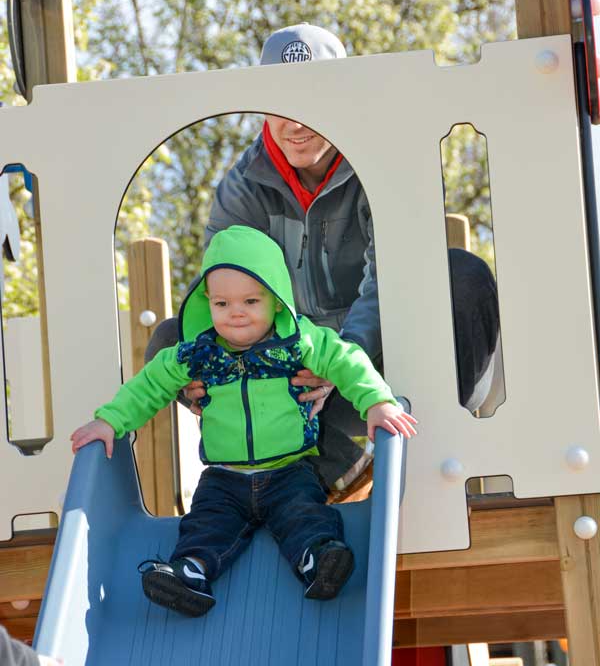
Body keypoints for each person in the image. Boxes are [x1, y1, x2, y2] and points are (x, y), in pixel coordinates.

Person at [147, 22, 499, 490]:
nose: (294, 123)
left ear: (344, 99)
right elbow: (226, 288)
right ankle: (284, 465)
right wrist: (212, 367)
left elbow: (392, 279)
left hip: (381, 355)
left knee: (461, 274)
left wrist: (340, 360)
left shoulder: (384, 162)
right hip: (295, 365)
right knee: (172, 338)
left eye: (310, 104)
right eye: (279, 104)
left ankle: (438, 429)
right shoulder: (245, 188)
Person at [71, 226, 417, 618]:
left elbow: (347, 360)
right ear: (208, 303)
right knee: (205, 524)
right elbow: (147, 386)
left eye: (251, 300)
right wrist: (109, 422)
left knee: (304, 515)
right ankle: (189, 576)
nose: (236, 313)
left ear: (276, 299)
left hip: (288, 469)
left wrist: (376, 402)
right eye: (222, 304)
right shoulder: (196, 355)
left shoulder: (300, 343)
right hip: (224, 476)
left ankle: (320, 562)